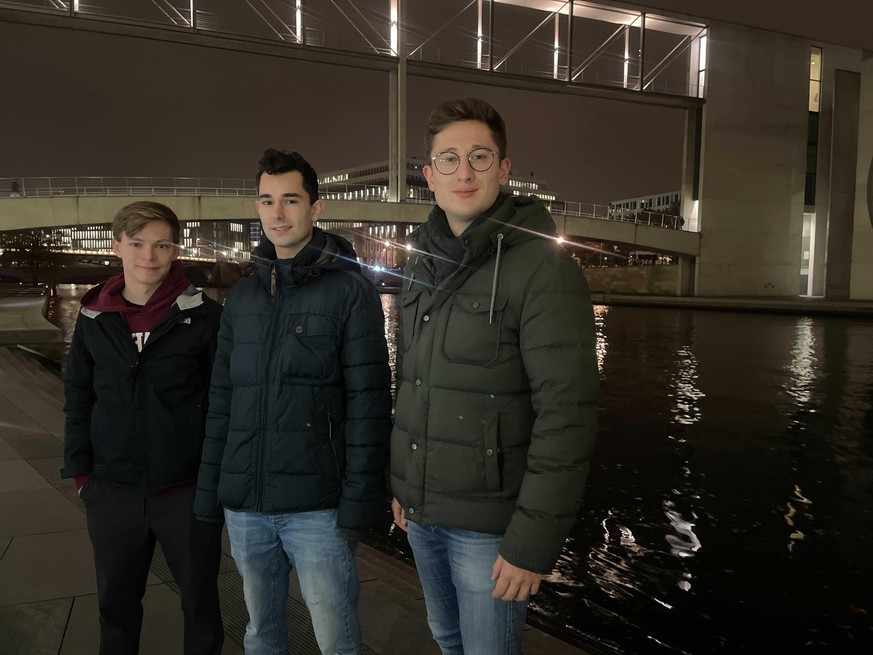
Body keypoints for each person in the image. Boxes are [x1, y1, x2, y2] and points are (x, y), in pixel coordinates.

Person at [390, 98, 600, 654]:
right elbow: (410, 383)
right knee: (447, 639)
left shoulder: (544, 270)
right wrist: (403, 485)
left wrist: (531, 543)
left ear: (504, 170)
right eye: (449, 159)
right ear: (428, 177)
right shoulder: (420, 264)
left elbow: (568, 415)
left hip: (490, 528)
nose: (464, 172)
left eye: (479, 157)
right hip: (423, 513)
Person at [195, 148, 392, 655]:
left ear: (316, 208)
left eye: (290, 200)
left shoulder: (350, 292)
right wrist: (210, 492)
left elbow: (369, 405)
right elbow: (222, 401)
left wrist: (356, 507)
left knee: (335, 639)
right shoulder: (242, 298)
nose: (277, 214)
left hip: (318, 509)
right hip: (247, 506)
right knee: (261, 634)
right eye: (267, 201)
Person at [62, 201, 224, 655]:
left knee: (201, 608)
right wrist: (82, 475)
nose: (148, 256)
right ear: (117, 247)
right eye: (136, 244)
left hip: (186, 492)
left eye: (161, 245)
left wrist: (211, 481)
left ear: (176, 250)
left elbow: (221, 404)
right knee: (116, 608)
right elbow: (78, 396)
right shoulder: (94, 317)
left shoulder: (205, 317)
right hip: (112, 491)